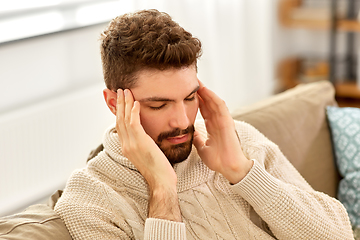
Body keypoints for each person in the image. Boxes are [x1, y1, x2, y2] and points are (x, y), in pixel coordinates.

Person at [55, 9, 353, 239]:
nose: (183, 121)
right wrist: (162, 189)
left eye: (189, 97)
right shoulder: (89, 201)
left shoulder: (238, 141)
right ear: (114, 104)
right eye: (159, 105)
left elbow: (338, 235)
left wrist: (243, 173)